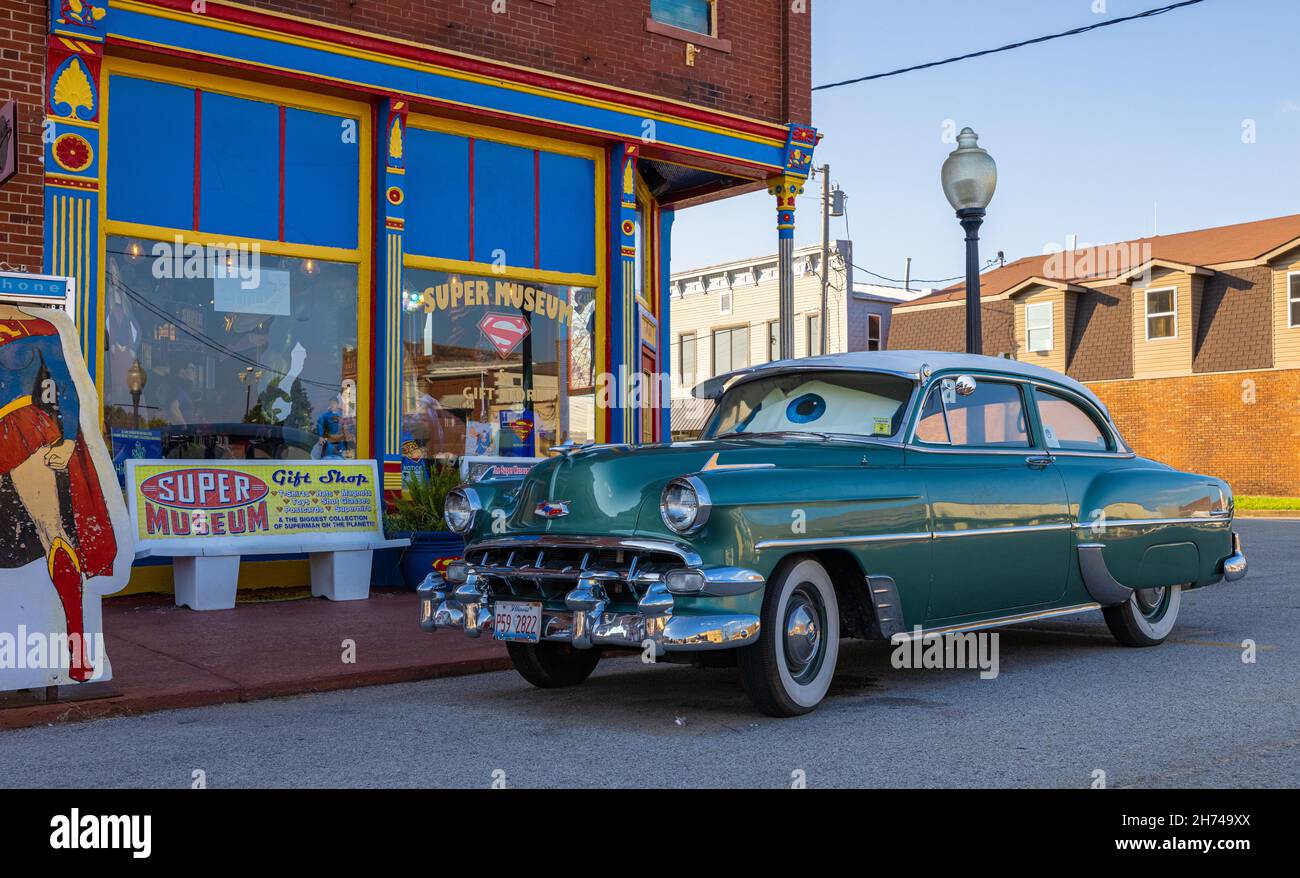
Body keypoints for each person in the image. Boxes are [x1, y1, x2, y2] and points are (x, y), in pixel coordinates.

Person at [0, 304, 116, 681]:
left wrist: (67, 441)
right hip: (19, 426)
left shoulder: (38, 325)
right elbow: (64, 384)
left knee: (54, 532)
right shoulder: (37, 326)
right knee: (53, 533)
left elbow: (64, 384)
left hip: (18, 426)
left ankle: (78, 652)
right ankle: (78, 656)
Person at [315, 395, 346, 459]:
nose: (332, 405)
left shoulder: (342, 414)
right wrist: (321, 436)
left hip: (341, 438)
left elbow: (346, 425)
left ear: (337, 404)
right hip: (330, 438)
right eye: (331, 403)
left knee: (342, 454)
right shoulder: (326, 415)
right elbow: (320, 424)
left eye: (334, 403)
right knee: (329, 454)